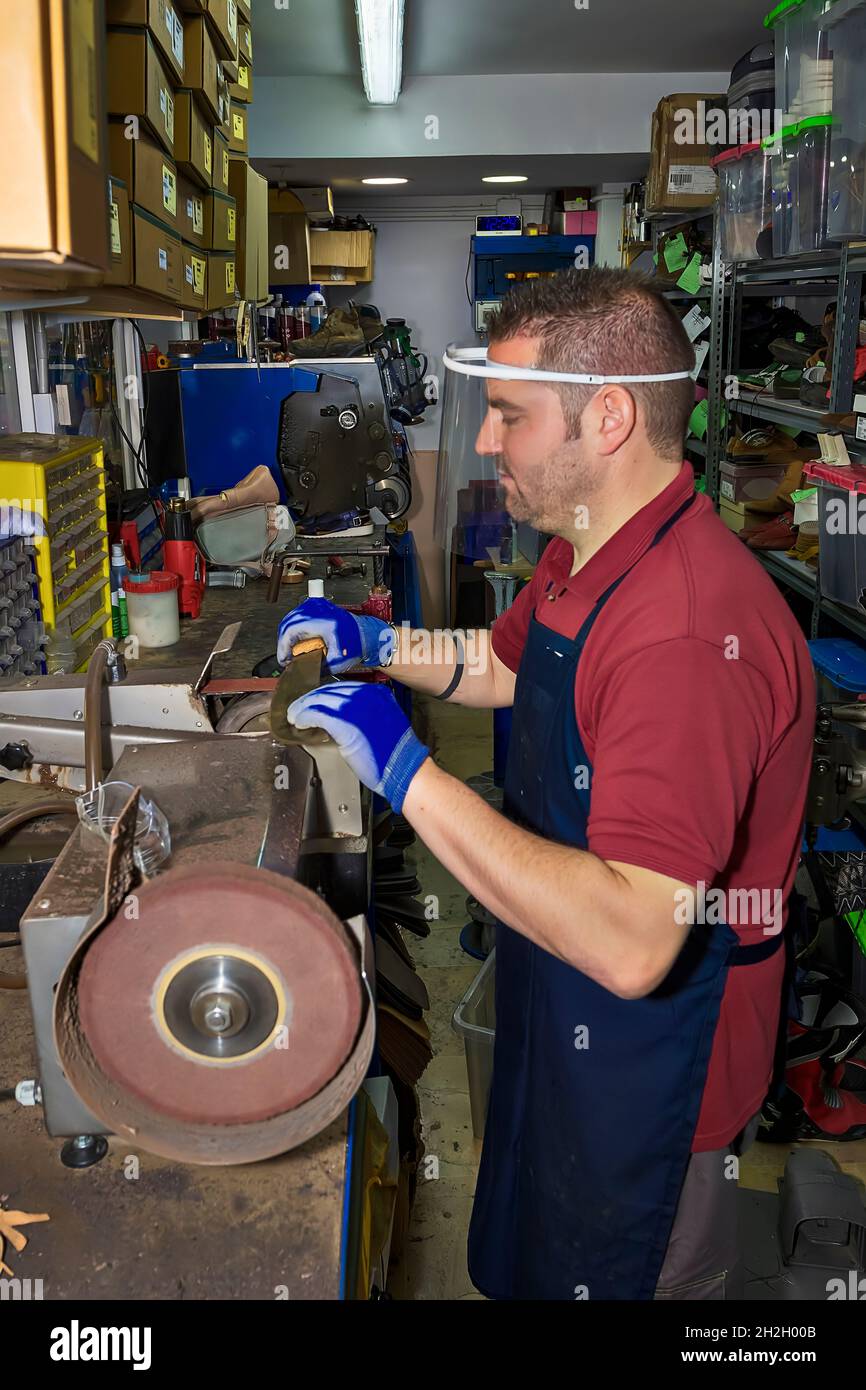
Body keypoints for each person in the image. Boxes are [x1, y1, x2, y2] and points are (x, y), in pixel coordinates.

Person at [277, 267, 815, 1301]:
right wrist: (382, 643)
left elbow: (628, 939)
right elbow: (504, 666)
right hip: (561, 996)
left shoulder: (687, 634)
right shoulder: (585, 551)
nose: (483, 441)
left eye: (510, 416)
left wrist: (408, 774)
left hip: (655, 1063)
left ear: (606, 417)